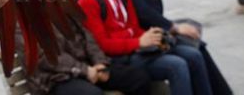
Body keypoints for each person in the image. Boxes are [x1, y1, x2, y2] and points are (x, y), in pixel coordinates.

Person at [79, 0, 213, 95]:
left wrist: (152, 36)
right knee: (177, 66)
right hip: (119, 60)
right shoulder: (88, 0)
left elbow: (134, 28)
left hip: (137, 50)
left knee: (194, 55)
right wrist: (139, 42)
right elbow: (101, 45)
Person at [123, 0, 233, 95]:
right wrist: (175, 27)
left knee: (197, 48)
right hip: (146, 41)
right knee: (181, 63)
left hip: (161, 35)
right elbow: (145, 13)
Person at [16, 17, 152, 95]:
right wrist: (84, 70)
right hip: (54, 81)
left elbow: (87, 35)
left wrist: (100, 62)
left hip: (89, 68)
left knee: (137, 77)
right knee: (92, 94)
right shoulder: (19, 21)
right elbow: (44, 57)